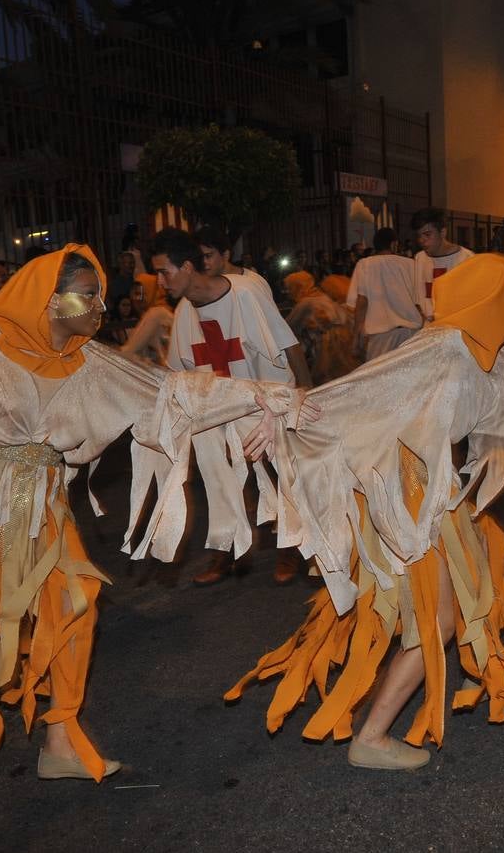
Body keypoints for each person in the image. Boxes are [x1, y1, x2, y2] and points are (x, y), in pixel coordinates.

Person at [0, 243, 313, 780]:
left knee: (74, 609)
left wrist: (267, 395)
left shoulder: (87, 358)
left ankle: (59, 742)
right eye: (84, 295)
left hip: (46, 505)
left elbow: (172, 392)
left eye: (98, 294)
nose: (95, 305)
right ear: (49, 298)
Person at [225, 253, 504, 770]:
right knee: (438, 617)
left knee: (502, 552)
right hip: (405, 494)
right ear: (498, 300)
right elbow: (358, 389)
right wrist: (283, 411)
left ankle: (475, 657)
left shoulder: (483, 350)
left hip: (431, 487)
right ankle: (372, 738)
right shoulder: (441, 347)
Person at [153, 227, 311, 586]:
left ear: (189, 266)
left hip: (262, 406)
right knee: (218, 480)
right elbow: (179, 371)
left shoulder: (245, 295)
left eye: (165, 271)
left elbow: (287, 343)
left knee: (282, 474)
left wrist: (303, 392)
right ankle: (226, 550)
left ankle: (289, 545)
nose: (160, 281)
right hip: (216, 413)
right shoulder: (182, 313)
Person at [347, 226, 422, 360]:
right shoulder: (411, 264)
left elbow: (362, 302)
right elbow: (419, 302)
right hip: (411, 335)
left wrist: (355, 339)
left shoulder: (365, 264)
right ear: (394, 244)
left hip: (381, 340)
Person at [283, 270, 359, 385]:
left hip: (323, 349)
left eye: (289, 288)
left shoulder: (306, 303)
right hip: (341, 344)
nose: (288, 292)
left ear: (296, 287)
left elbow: (287, 327)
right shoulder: (323, 297)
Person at [411, 208, 473, 319]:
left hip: (457, 325)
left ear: (443, 232)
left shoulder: (466, 258)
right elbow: (419, 297)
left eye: (427, 235)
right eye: (419, 236)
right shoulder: (420, 258)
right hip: (430, 327)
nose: (421, 240)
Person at [119, 273, 173, 367]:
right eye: (135, 294)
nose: (138, 299)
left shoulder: (156, 314)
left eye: (143, 293)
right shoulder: (159, 312)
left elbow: (129, 351)